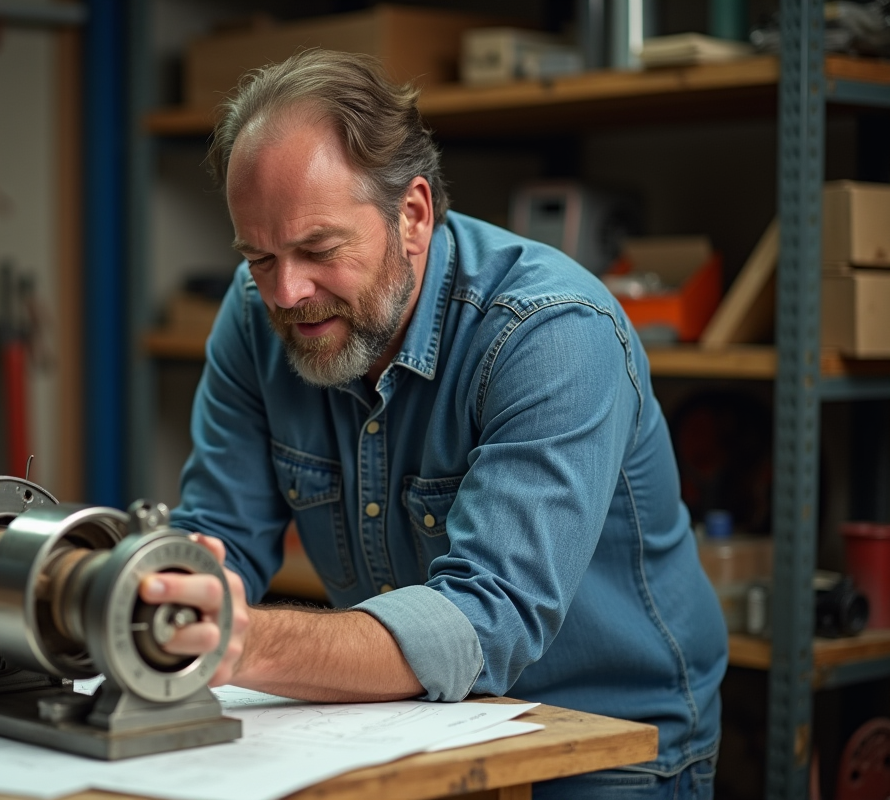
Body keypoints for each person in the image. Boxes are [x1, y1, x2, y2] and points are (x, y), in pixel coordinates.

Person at [138, 49, 727, 798]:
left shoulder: (551, 333)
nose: (286, 292)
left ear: (412, 215)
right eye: (259, 256)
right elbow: (219, 532)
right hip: (410, 722)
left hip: (604, 740)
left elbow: (487, 618)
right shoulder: (256, 315)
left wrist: (248, 641)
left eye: (319, 250)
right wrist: (167, 593)